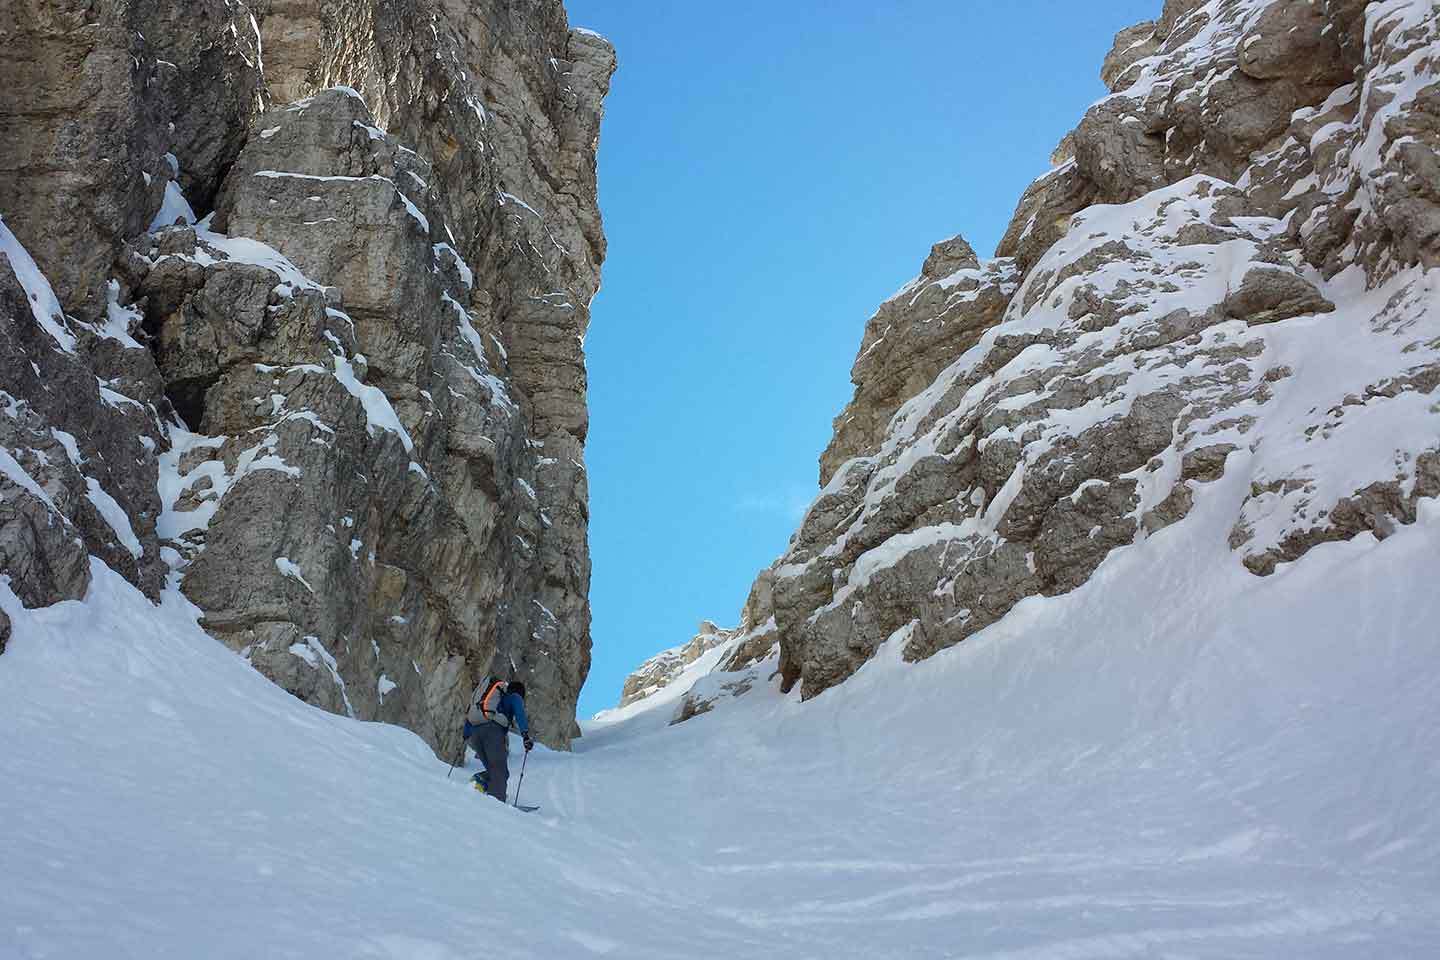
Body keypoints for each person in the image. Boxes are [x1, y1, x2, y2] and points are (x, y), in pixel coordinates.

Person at [463, 677, 533, 802]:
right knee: (499, 771)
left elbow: (470, 717)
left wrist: (466, 734)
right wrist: (525, 735)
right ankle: (496, 804)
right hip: (492, 732)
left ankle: (478, 784)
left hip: (474, 734)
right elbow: (520, 713)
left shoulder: (489, 703)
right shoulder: (514, 697)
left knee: (496, 771)